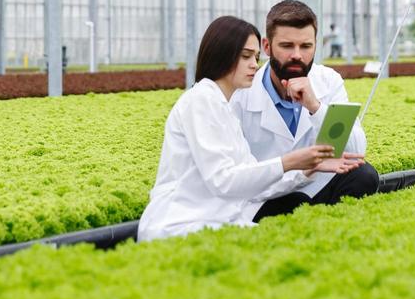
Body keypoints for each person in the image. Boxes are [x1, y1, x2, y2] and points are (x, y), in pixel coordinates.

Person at [137, 16, 360, 242]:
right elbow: (223, 180)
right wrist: (291, 161)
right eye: (246, 56)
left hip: (219, 220)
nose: (255, 64)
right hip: (180, 225)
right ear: (221, 55)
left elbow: (254, 186)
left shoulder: (224, 107)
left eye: (255, 57)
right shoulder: (201, 101)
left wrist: (308, 169)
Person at [233, 0, 382, 221]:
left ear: (315, 45)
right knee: (292, 202)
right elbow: (237, 175)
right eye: (286, 46)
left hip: (315, 184)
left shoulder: (328, 81)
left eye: (305, 46)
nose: (297, 55)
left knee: (364, 175)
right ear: (266, 46)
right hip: (265, 194)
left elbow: (355, 150)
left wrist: (315, 107)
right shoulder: (241, 92)